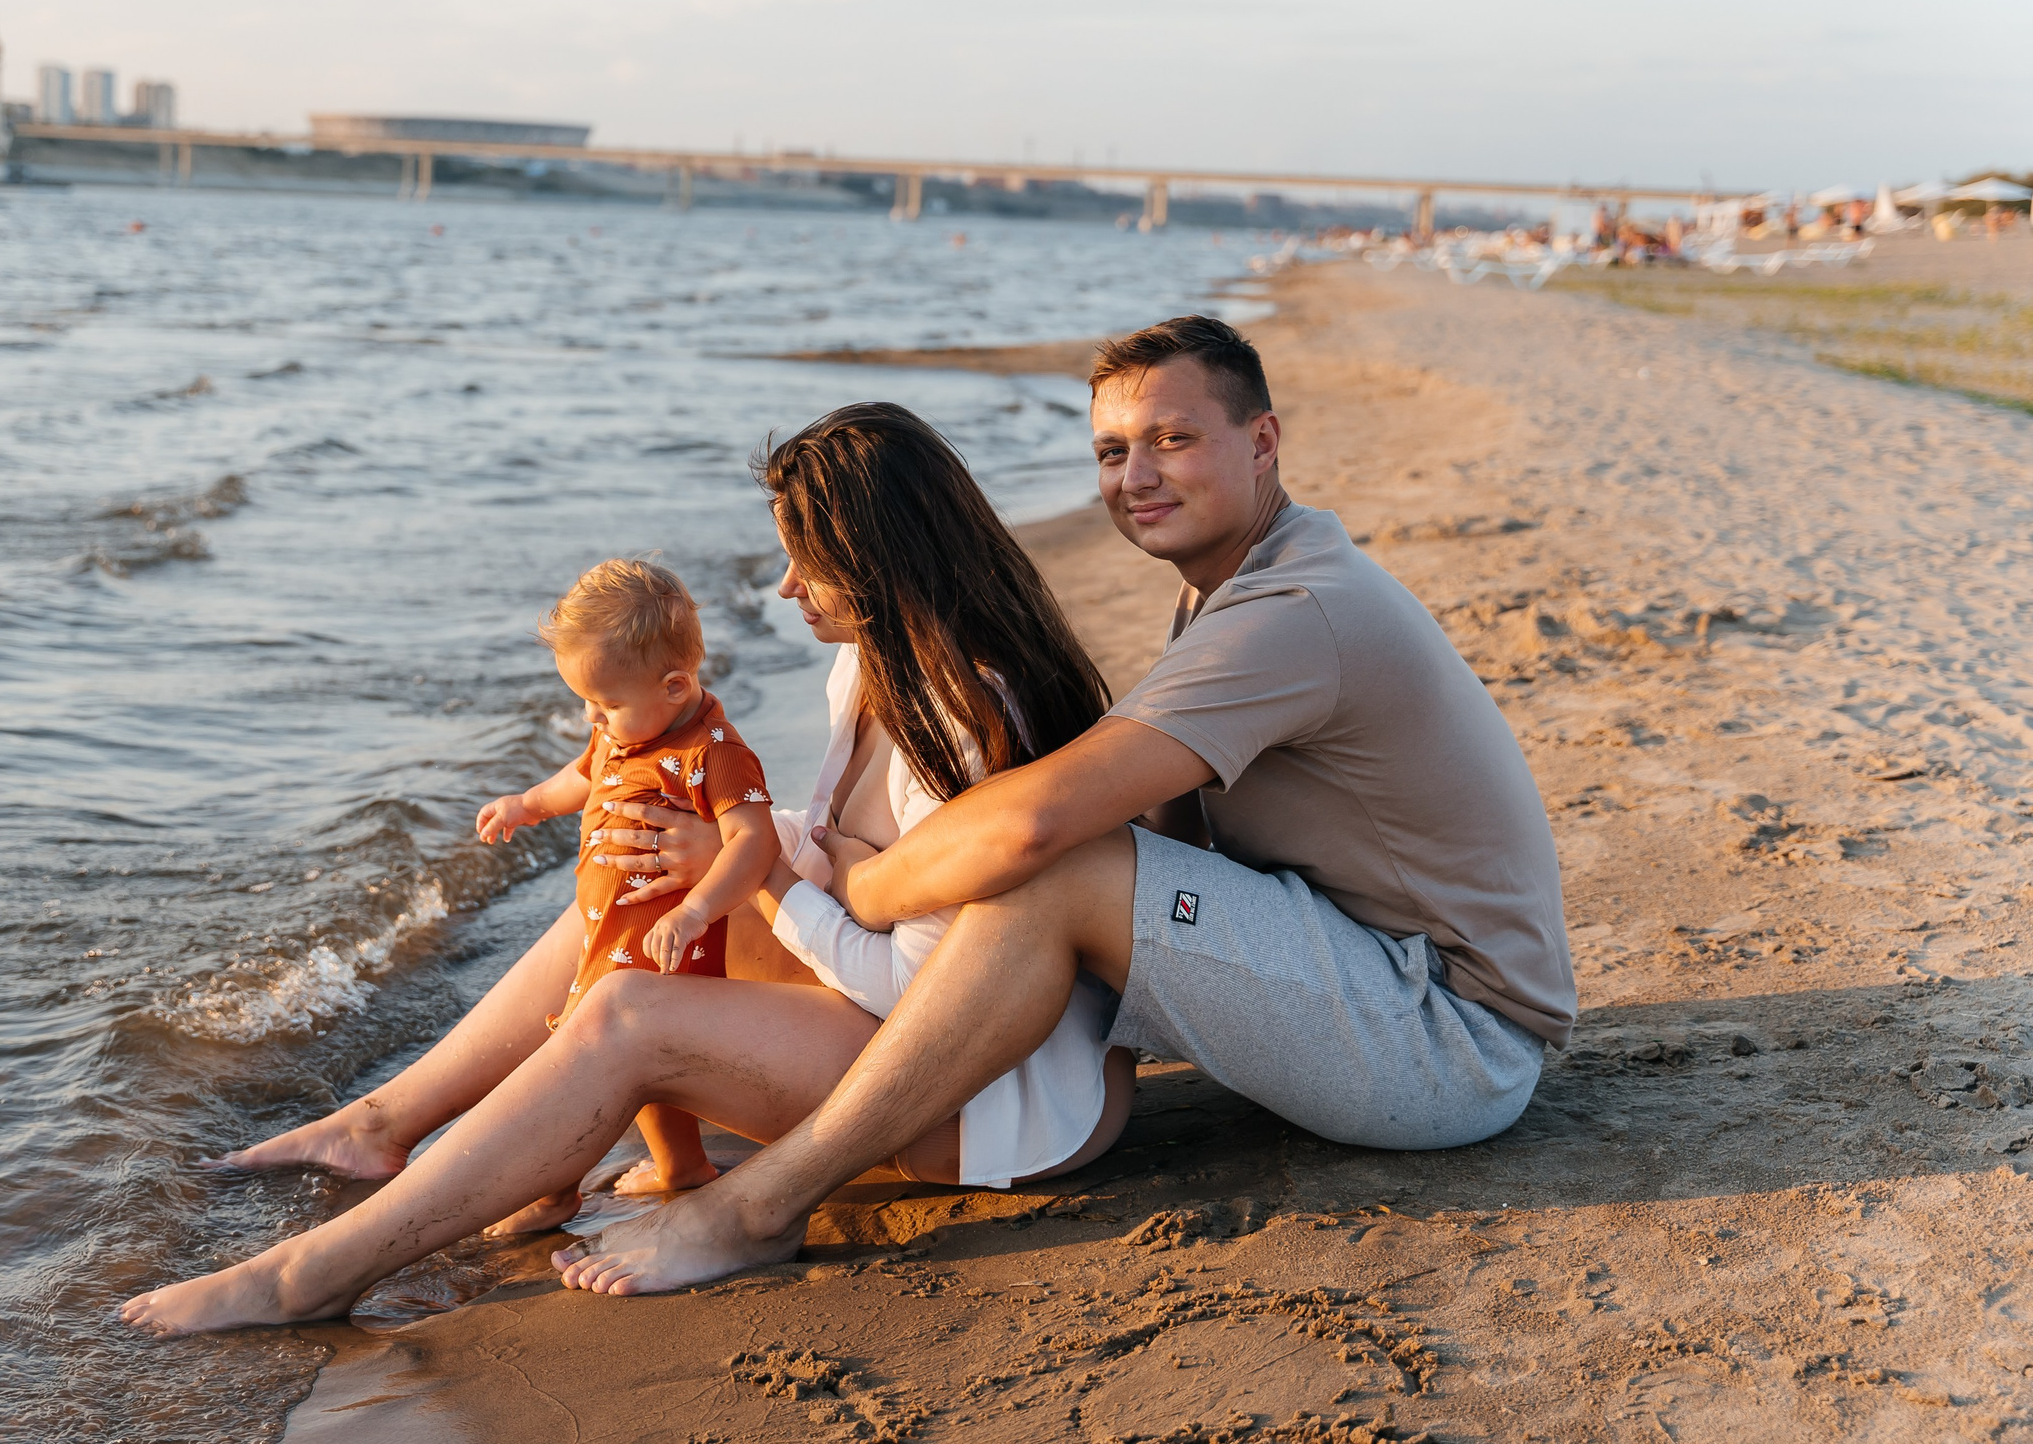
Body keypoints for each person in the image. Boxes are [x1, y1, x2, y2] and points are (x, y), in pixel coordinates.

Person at [551, 314, 1575, 1297]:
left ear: (1262, 442)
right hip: (1380, 978)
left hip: (1449, 1039)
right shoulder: (1238, 582)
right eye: (1111, 450)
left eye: (1172, 439)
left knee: (1055, 861)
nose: (1135, 478)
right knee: (761, 851)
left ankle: (757, 1206)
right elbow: (1172, 833)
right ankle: (440, 1115)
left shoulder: (1292, 611)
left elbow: (1034, 824)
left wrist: (845, 886)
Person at [119, 404, 1127, 1335]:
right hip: (899, 1024)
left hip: (993, 1106)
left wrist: (767, 870)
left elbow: (940, 998)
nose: (784, 589)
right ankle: (383, 1124)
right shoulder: (866, 664)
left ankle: (310, 1273)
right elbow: (848, 877)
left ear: (883, 560)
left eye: (806, 564)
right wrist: (741, 859)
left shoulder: (961, 721)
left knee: (624, 1013)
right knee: (650, 882)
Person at [474, 558, 780, 1210]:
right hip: (610, 930)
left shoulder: (715, 751)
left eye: (605, 703)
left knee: (579, 1062)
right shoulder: (622, 729)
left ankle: (551, 1186)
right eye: (585, 700)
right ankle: (682, 1166)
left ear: (674, 686)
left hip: (660, 941)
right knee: (645, 1076)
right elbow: (582, 774)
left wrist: (696, 911)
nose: (592, 716)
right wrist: (528, 803)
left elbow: (756, 840)